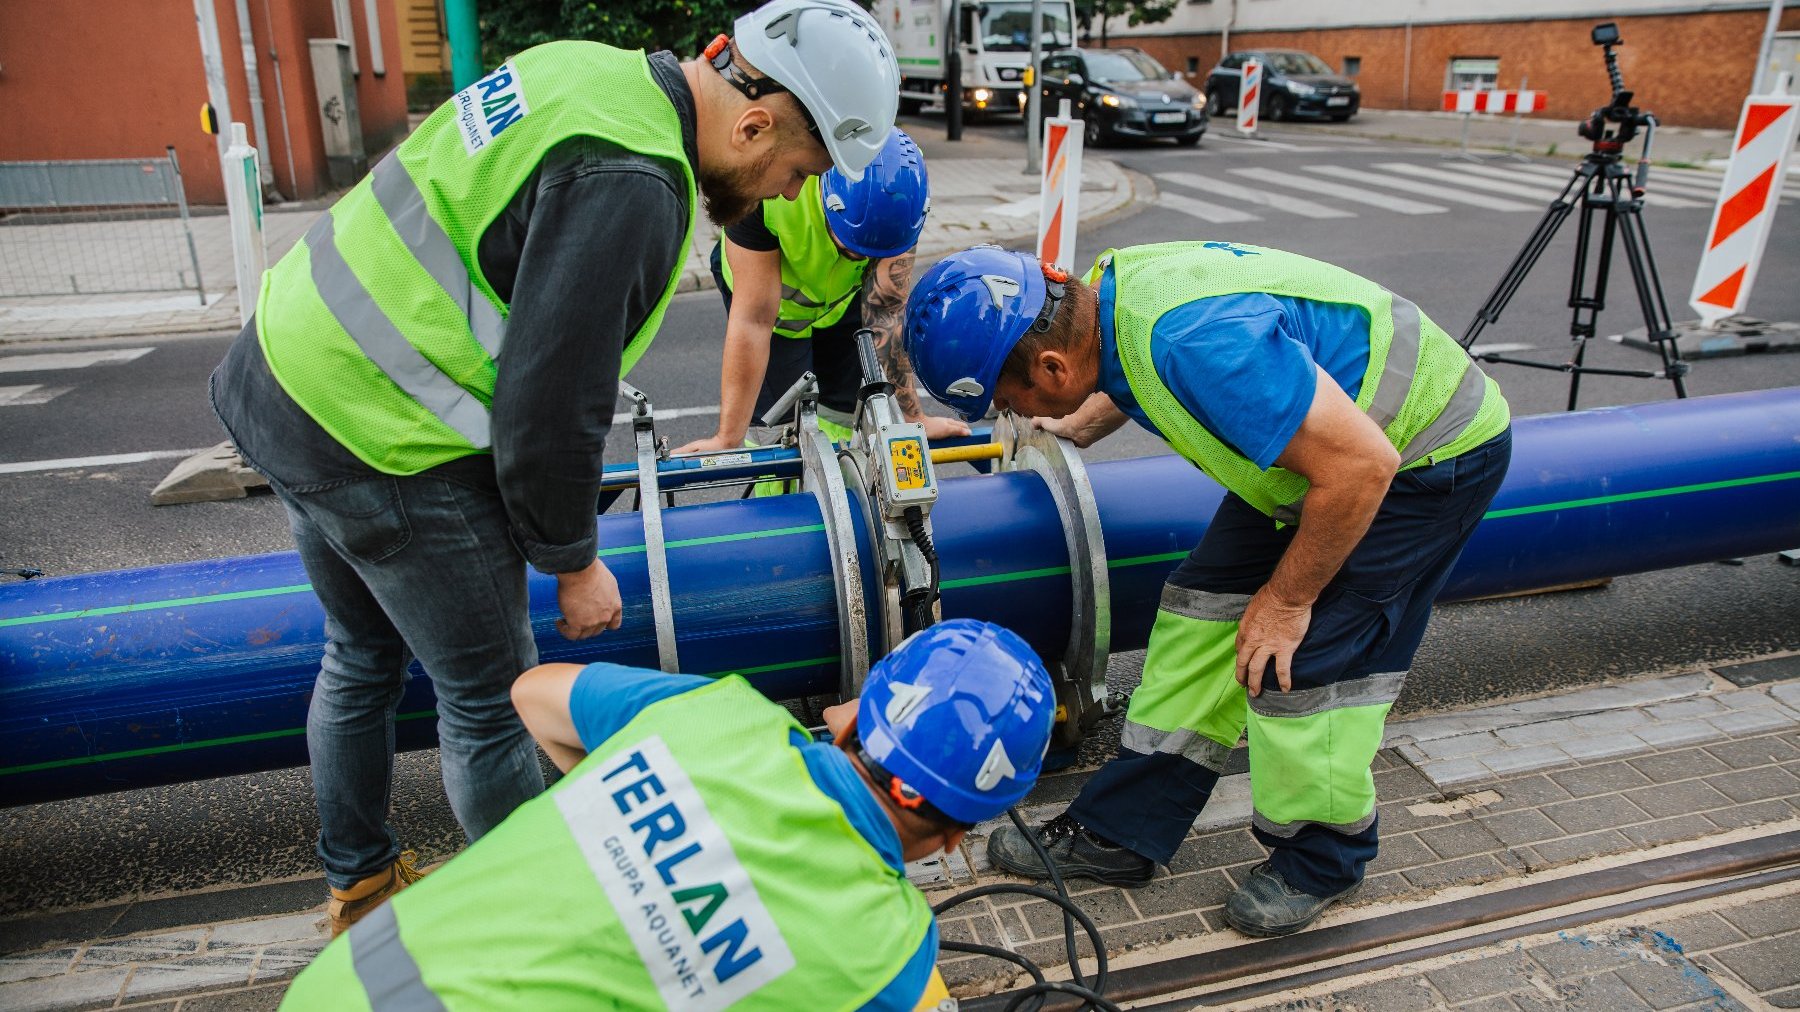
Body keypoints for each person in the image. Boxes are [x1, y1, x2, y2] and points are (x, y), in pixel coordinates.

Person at [208, 0, 900, 935]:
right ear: (754, 120)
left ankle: (361, 885)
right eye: (797, 169)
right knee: (493, 705)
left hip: (287, 375)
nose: (783, 193)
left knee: (360, 654)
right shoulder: (635, 181)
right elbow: (552, 401)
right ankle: (549, 940)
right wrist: (572, 563)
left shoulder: (592, 72)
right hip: (382, 435)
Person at [903, 241, 1513, 937]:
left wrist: (1286, 602)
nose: (1009, 412)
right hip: (1321, 460)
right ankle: (1121, 831)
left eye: (1010, 399)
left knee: (1306, 662)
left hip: (1419, 462)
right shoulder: (1101, 301)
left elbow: (1360, 468)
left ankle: (1324, 857)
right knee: (1203, 611)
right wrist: (1080, 422)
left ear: (1051, 365)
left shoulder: (1200, 345)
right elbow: (1129, 370)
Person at [278, 619, 1055, 1010]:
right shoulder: (887, 955)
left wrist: (618, 793)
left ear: (851, 718)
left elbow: (532, 696)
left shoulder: (719, 717)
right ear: (958, 834)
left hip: (333, 991)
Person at [675, 127, 968, 471]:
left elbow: (886, 312)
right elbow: (754, 321)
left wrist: (911, 416)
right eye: (851, 247)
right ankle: (781, 514)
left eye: (871, 254)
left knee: (847, 414)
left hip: (839, 303)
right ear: (831, 204)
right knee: (778, 433)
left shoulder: (902, 195)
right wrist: (727, 439)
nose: (860, 260)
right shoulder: (766, 190)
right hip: (776, 313)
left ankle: (842, 508)